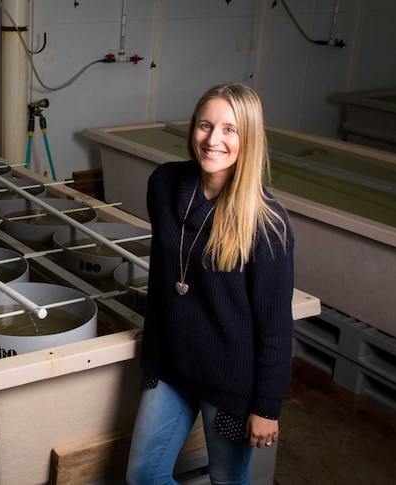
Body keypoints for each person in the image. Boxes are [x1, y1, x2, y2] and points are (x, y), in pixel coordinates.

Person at [126, 83, 295, 484]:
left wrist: (267, 408)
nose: (213, 139)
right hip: (169, 364)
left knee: (226, 479)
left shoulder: (267, 224)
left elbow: (274, 325)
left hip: (229, 379)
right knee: (143, 477)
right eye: (205, 125)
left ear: (249, 138)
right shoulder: (164, 185)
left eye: (229, 130)